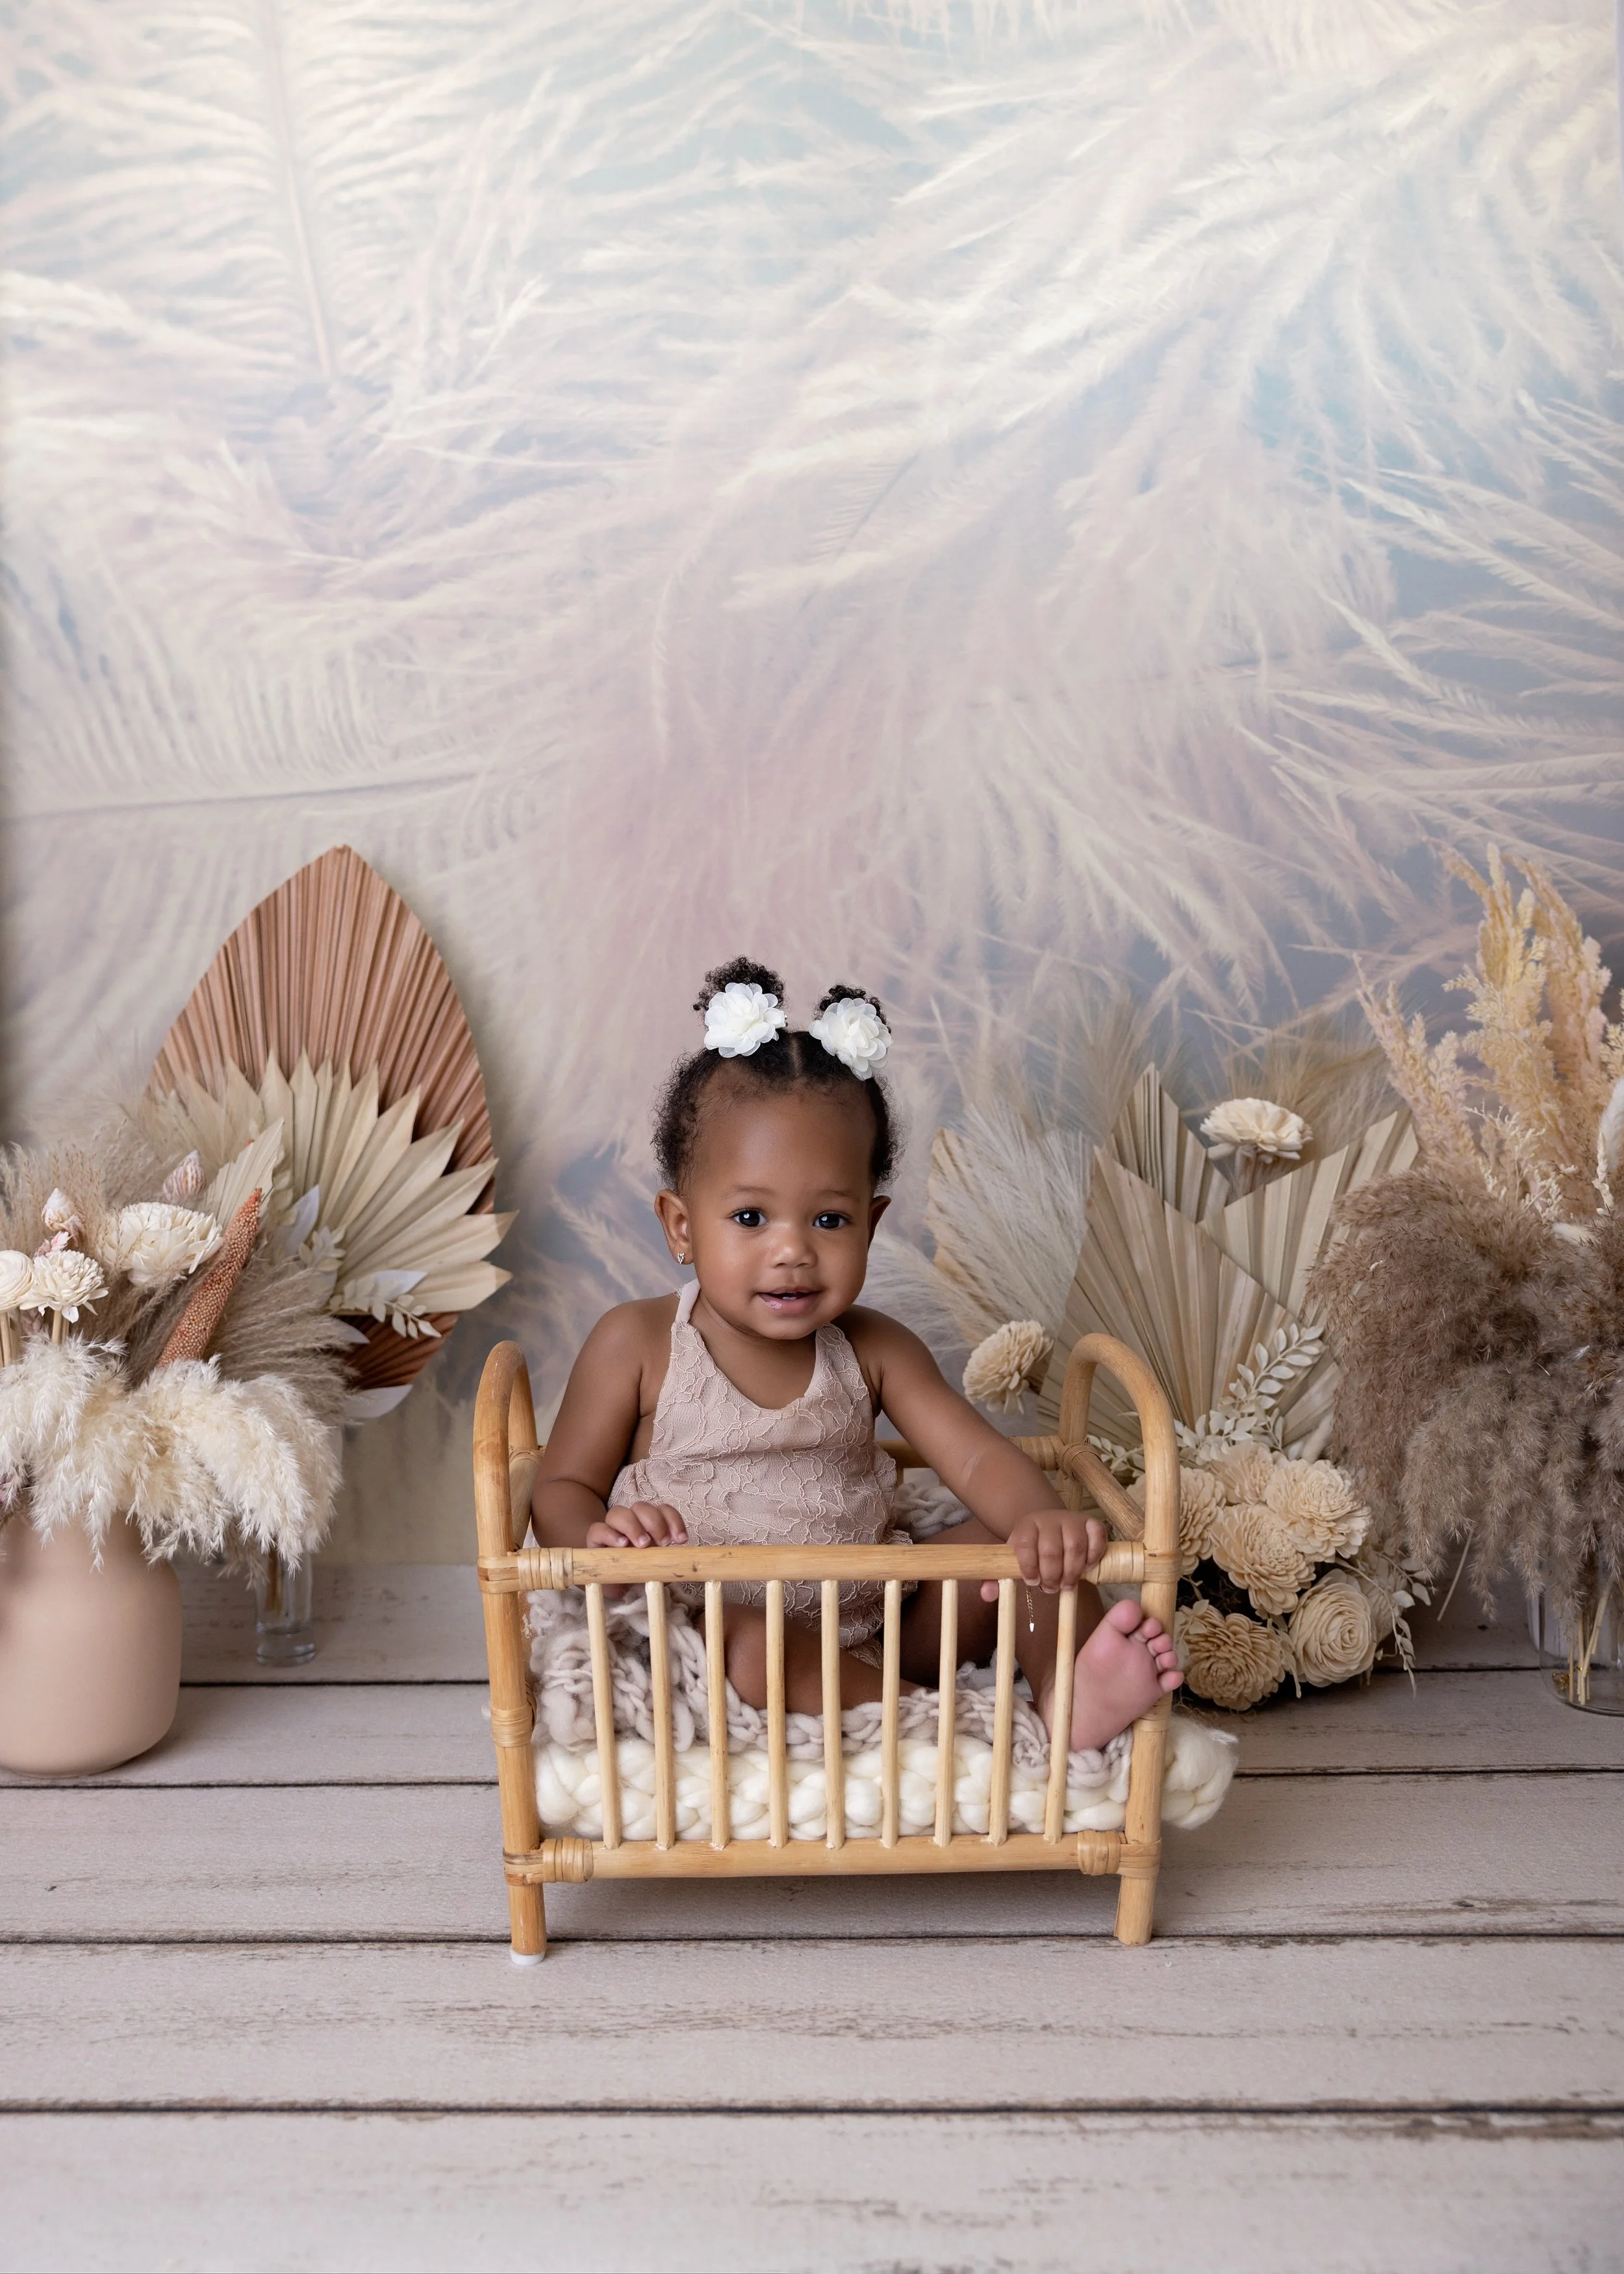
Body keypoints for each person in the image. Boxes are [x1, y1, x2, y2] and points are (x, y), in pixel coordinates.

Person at [533, 960, 1181, 1752]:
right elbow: (560, 1485)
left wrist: (1039, 1520)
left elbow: (977, 1462)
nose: (792, 1252)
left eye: (829, 1221)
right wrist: (603, 1536)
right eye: (749, 1216)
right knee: (742, 1640)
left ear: (871, 1223)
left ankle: (1066, 1696)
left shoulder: (874, 1348)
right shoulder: (636, 1343)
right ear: (680, 1224)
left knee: (1022, 1548)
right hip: (727, 1643)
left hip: (875, 1623)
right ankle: (947, 1725)